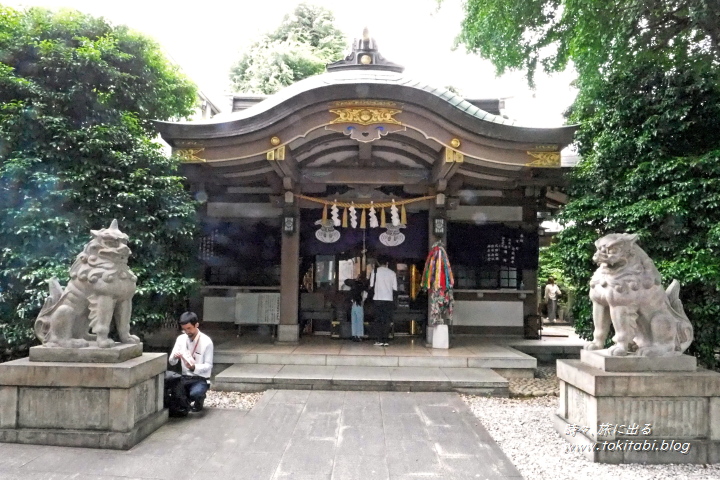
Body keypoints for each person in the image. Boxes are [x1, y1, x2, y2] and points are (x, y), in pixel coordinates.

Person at [168, 312, 214, 412]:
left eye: (189, 328)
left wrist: (194, 367)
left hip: (201, 378)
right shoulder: (181, 339)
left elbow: (209, 365)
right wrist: (175, 358)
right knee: (174, 395)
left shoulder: (207, 341)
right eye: (184, 329)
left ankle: (199, 398)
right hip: (185, 377)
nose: (187, 332)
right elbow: (172, 362)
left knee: (195, 393)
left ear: (196, 325)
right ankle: (186, 401)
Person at [369, 255, 397, 346]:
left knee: (378, 320)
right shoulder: (392, 273)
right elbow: (395, 288)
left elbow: (371, 285)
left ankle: (379, 340)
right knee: (386, 320)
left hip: (377, 299)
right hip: (388, 299)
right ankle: (385, 340)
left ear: (378, 263)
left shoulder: (375, 271)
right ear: (387, 263)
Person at [346, 277, 367, 342]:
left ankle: (354, 335)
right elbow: (365, 296)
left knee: (354, 320)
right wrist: (363, 301)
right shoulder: (362, 289)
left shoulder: (352, 289)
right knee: (359, 320)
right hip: (359, 304)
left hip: (354, 304)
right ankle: (359, 335)